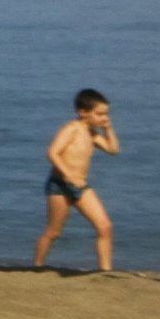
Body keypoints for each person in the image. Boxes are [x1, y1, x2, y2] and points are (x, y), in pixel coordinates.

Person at [34, 88, 120, 273]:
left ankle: (105, 271)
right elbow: (52, 152)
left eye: (106, 114)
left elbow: (113, 149)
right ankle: (37, 267)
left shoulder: (92, 133)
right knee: (53, 232)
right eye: (99, 114)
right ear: (83, 112)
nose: (103, 117)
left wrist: (108, 128)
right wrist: (69, 175)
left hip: (81, 186)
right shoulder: (71, 128)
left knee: (105, 226)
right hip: (60, 185)